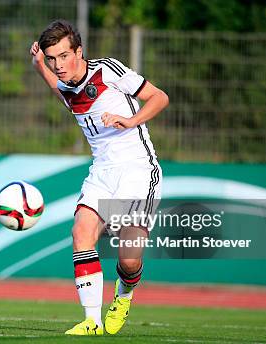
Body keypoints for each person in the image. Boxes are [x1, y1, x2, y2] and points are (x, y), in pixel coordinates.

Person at [30, 19, 168, 335]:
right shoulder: (65, 85)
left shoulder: (108, 71)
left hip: (137, 170)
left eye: (64, 56)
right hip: (101, 174)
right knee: (81, 232)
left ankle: (125, 291)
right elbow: (58, 89)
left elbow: (160, 97)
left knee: (130, 260)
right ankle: (92, 322)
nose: (59, 64)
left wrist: (131, 120)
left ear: (79, 51)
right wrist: (40, 65)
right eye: (52, 58)